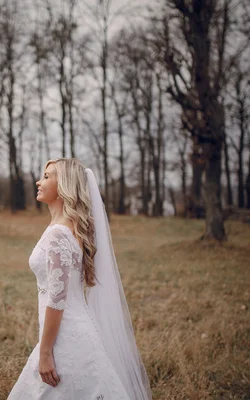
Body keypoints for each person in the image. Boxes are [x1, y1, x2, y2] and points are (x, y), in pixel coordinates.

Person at [8, 158, 152, 400]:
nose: (38, 181)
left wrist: (44, 353)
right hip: (72, 330)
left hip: (65, 336)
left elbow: (57, 300)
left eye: (46, 176)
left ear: (64, 184)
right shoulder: (65, 228)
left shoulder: (58, 234)